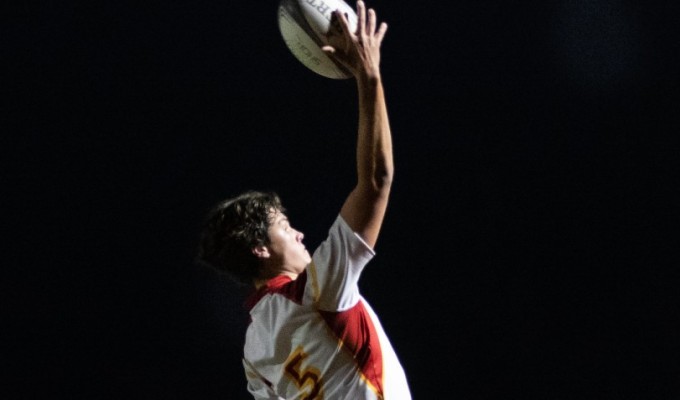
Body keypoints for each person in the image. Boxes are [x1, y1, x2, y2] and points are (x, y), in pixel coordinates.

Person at [197, 2, 410, 398]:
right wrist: (369, 75)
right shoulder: (316, 292)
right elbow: (377, 181)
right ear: (260, 248)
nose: (298, 234)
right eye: (283, 226)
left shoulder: (254, 351)